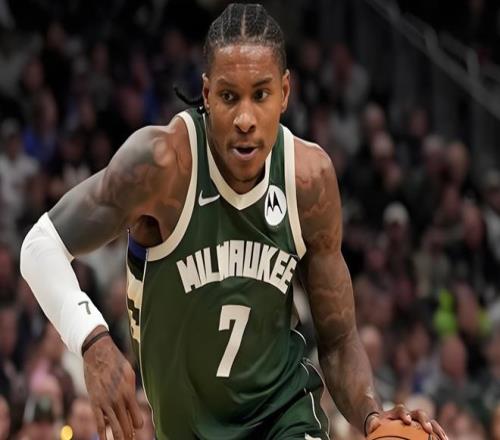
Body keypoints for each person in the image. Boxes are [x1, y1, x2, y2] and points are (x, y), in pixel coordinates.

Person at [20, 4, 448, 439]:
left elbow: (338, 341)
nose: (245, 119)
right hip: (186, 428)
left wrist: (373, 416)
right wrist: (92, 341)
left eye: (260, 95)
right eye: (229, 97)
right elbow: (40, 245)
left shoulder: (308, 179)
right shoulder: (162, 165)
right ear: (206, 94)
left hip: (283, 416)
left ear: (285, 92)